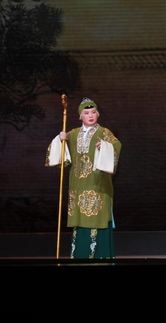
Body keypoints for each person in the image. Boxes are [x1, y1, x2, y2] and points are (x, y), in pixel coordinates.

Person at [46, 97, 121, 259]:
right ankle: (79, 256)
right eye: (86, 113)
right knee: (80, 219)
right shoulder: (73, 134)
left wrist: (105, 147)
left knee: (98, 217)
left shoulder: (104, 132)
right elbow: (60, 157)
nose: (90, 115)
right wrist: (60, 140)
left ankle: (100, 256)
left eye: (93, 112)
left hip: (98, 184)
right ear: (80, 116)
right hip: (78, 185)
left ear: (98, 114)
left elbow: (116, 146)